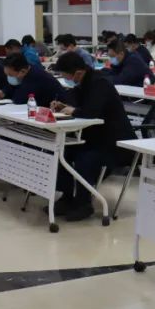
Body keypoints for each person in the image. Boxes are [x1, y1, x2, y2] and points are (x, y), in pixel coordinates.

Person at [48, 51, 134, 222]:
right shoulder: (82, 83)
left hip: (115, 142)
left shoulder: (100, 83)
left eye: (66, 75)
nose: (65, 79)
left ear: (78, 73)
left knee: (85, 158)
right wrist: (63, 105)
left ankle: (83, 203)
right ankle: (67, 197)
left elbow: (91, 112)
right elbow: (76, 103)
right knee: (62, 151)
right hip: (94, 138)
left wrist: (73, 110)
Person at [0, 53, 67, 106]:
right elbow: (12, 87)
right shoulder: (26, 70)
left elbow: (19, 100)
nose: (9, 77)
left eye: (10, 75)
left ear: (22, 71)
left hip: (57, 111)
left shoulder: (35, 77)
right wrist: (3, 92)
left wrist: (8, 94)